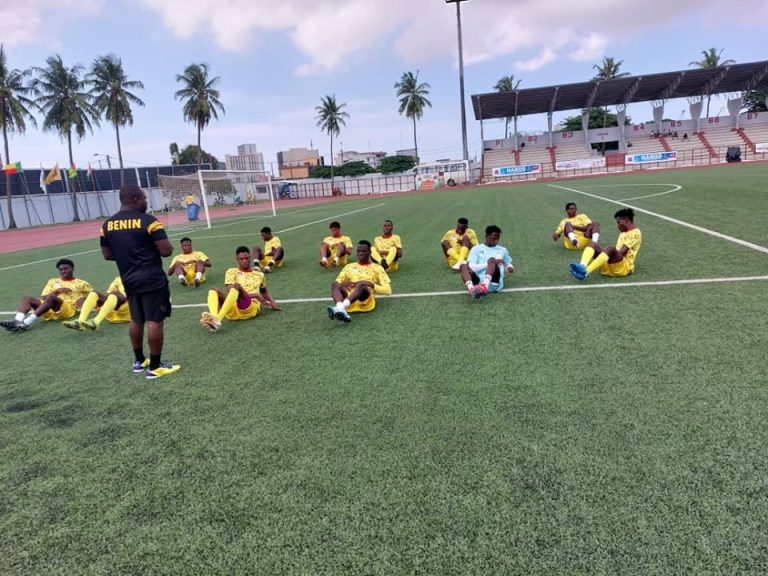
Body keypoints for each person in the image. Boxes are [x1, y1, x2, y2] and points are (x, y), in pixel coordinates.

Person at [100, 184, 180, 380]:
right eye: (144, 198)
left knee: (136, 319)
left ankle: (138, 361)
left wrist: (128, 256)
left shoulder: (107, 225)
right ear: (136, 199)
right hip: (152, 278)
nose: (146, 202)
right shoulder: (149, 221)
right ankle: (155, 366)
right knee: (154, 320)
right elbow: (166, 250)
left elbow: (107, 254)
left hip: (128, 279)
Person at [200, 246, 281, 332]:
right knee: (213, 290)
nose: (244, 261)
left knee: (237, 286)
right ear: (237, 259)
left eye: (247, 258)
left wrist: (273, 302)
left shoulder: (259, 274)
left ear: (250, 258)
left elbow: (264, 290)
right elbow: (232, 291)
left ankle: (217, 319)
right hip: (232, 310)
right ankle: (214, 317)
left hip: (248, 308)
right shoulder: (231, 271)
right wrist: (256, 295)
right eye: (241, 259)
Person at [1, 259, 93, 332]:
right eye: (61, 269)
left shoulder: (81, 283)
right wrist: (57, 291)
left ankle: (26, 323)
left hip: (67, 309)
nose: (63, 271)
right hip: (48, 308)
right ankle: (17, 321)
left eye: (66, 268)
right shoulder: (53, 281)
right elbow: (44, 298)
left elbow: (93, 295)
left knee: (51, 297)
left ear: (72, 268)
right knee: (27, 298)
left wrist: (82, 299)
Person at [327, 240, 391, 323]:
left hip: (365, 301)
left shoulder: (377, 268)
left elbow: (388, 291)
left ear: (370, 252)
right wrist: (343, 283)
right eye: (358, 251)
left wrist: (369, 283)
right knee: (335, 284)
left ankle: (340, 308)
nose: (360, 253)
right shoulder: (349, 266)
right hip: (349, 299)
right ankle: (341, 309)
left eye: (364, 251)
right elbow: (338, 284)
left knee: (361, 285)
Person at [569, 208, 642, 281]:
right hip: (609, 267)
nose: (617, 226)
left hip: (623, 269)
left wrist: (606, 253)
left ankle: (585, 273)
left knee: (610, 248)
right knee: (593, 244)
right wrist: (605, 255)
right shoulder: (623, 233)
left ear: (625, 221)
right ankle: (582, 266)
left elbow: (621, 253)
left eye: (619, 222)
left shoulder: (635, 233)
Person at [459, 225, 514, 299]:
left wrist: (509, 268)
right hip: (477, 282)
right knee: (463, 266)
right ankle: (472, 289)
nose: (496, 241)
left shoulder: (502, 250)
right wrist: (489, 264)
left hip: (494, 283)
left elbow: (509, 265)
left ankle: (485, 285)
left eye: (498, 238)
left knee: (491, 259)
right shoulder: (476, 249)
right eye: (493, 238)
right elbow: (472, 267)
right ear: (486, 236)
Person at [62, 276, 130, 331]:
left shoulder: (138, 278)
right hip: (113, 313)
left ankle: (96, 322)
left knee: (116, 293)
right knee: (94, 293)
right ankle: (80, 321)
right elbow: (109, 295)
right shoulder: (119, 279)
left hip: (130, 311)